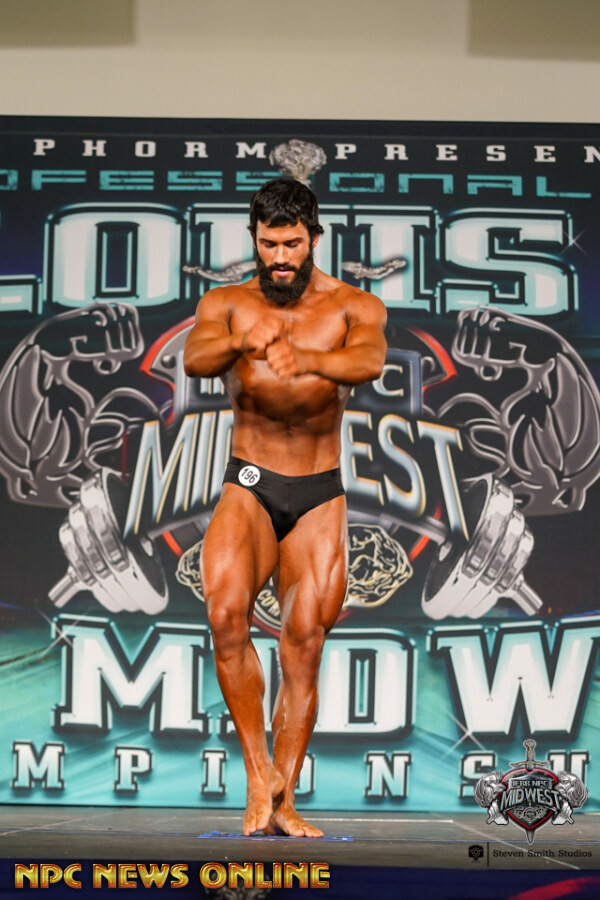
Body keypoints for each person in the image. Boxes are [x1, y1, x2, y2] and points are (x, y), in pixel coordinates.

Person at [183, 177, 387, 837]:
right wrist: (241, 343)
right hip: (250, 482)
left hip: (318, 492)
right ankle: (256, 773)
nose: (279, 257)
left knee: (304, 646)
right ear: (254, 239)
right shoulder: (226, 303)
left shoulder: (354, 304)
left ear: (313, 238)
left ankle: (285, 800)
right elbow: (195, 358)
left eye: (292, 243)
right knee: (224, 615)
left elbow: (369, 361)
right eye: (268, 243)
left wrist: (307, 356)